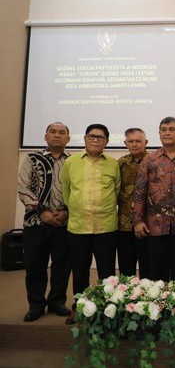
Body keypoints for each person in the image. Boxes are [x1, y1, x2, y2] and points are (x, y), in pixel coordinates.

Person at [62, 124, 120, 324]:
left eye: (100, 137)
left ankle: (107, 310)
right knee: (79, 270)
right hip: (78, 226)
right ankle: (79, 308)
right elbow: (66, 191)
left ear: (107, 142)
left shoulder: (113, 164)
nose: (95, 140)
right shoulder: (71, 162)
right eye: (92, 136)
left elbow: (117, 191)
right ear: (85, 138)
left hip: (106, 227)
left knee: (107, 272)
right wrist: (77, 208)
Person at [17, 122, 72, 322]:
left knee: (62, 266)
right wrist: (41, 211)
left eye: (62, 133)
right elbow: (23, 188)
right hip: (35, 223)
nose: (57, 136)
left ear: (68, 138)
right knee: (35, 265)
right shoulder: (32, 159)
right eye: (53, 132)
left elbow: (78, 190)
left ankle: (57, 302)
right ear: (45, 136)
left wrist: (66, 211)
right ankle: (36, 305)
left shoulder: (73, 162)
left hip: (64, 223)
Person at [132, 117, 175, 282]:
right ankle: (158, 307)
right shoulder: (150, 159)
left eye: (172, 129)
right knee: (158, 273)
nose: (167, 133)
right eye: (164, 129)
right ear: (159, 134)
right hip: (156, 225)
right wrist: (137, 221)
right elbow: (139, 191)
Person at [117, 128, 150, 278]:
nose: (135, 144)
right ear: (125, 143)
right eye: (131, 141)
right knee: (126, 267)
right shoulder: (120, 163)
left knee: (148, 265)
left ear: (146, 142)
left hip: (147, 223)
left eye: (138, 141)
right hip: (124, 224)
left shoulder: (154, 160)